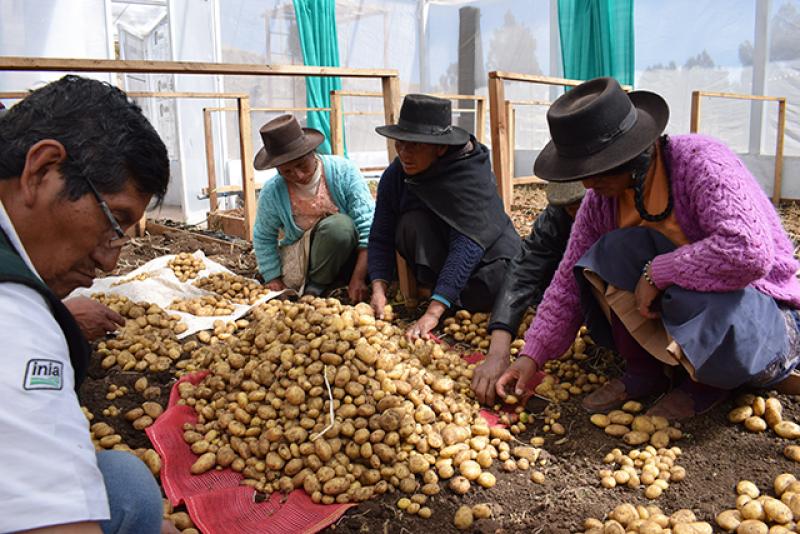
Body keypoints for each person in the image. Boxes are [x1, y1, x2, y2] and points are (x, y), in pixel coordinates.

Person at [495, 77, 800, 420]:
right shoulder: (600, 202)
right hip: (683, 308)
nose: (587, 183)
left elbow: (749, 252)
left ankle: (709, 383)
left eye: (598, 169)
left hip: (755, 311)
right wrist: (530, 357)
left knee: (682, 292)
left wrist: (659, 272)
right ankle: (644, 371)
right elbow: (566, 281)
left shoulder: (702, 163)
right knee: (609, 252)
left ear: (633, 151)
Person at [0, 76, 174, 533]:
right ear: (41, 170)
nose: (109, 259)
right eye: (113, 221)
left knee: (123, 481)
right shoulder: (14, 318)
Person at [369, 94, 520, 340]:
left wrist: (433, 312)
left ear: (440, 147)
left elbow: (467, 244)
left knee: (501, 282)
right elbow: (381, 233)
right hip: (440, 250)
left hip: (486, 254)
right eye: (400, 143)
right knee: (409, 223)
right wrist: (378, 287)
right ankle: (440, 291)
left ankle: (444, 296)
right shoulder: (397, 174)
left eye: (415, 145)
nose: (405, 154)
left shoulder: (470, 174)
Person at [472, 181, 585, 405]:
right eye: (570, 207)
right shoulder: (559, 214)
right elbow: (527, 267)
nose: (577, 212)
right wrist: (499, 351)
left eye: (578, 204)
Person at [252, 114, 374, 301]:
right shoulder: (273, 191)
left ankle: (316, 288)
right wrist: (273, 278)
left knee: (339, 227)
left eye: (302, 165)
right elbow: (263, 236)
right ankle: (315, 285)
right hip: (305, 262)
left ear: (313, 152)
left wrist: (358, 278)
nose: (298, 175)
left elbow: (368, 225)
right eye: (287, 171)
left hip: (350, 256)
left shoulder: (343, 171)